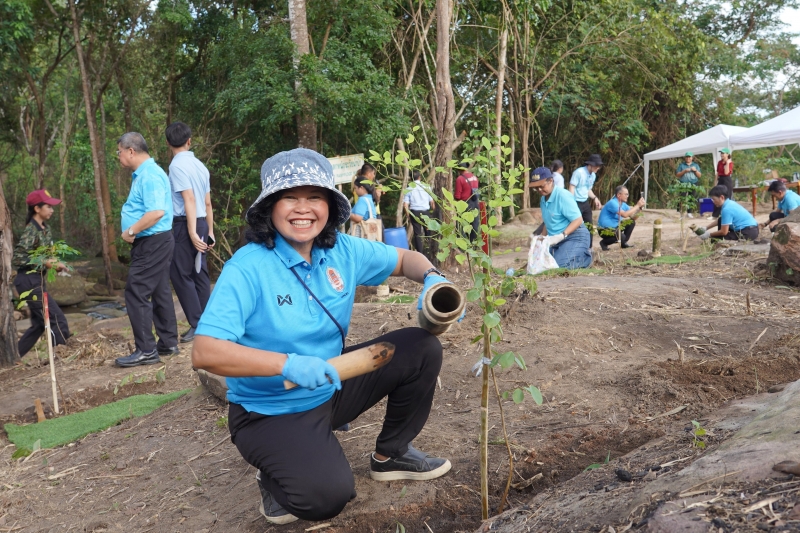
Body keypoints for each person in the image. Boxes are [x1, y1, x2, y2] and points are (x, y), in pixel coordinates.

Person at [191, 148, 452, 525]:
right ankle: (273, 475)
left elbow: (404, 259)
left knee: (422, 347)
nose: (303, 209)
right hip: (270, 411)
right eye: (289, 198)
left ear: (330, 205)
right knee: (327, 497)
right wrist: (289, 364)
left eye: (314, 197)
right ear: (269, 207)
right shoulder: (247, 269)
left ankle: (391, 453)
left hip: (330, 386)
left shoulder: (341, 249)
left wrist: (432, 277)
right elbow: (205, 351)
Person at [114, 132, 179, 367]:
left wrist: (130, 231)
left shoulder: (149, 175)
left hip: (153, 241)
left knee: (136, 290)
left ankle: (146, 350)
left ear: (131, 151)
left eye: (119, 151)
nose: (118, 156)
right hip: (156, 241)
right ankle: (168, 342)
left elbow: (155, 213)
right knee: (160, 289)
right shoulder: (144, 174)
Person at [165, 121, 214, 344]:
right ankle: (209, 322)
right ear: (189, 141)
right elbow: (208, 203)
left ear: (168, 143)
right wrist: (209, 231)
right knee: (199, 273)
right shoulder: (200, 166)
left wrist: (192, 232)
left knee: (180, 273)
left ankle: (197, 324)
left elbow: (189, 199)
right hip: (202, 221)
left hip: (186, 224)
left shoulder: (176, 166)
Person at [12, 190, 71, 356]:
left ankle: (14, 357)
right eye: (48, 206)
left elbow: (47, 256)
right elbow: (18, 259)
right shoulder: (31, 230)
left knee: (39, 324)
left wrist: (56, 264)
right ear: (37, 209)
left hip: (38, 279)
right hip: (27, 281)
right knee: (57, 319)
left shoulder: (45, 229)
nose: (52, 210)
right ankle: (61, 356)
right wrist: (45, 262)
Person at [529, 167, 592, 269]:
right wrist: (542, 239)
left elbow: (578, 220)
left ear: (551, 181)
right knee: (541, 263)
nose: (539, 190)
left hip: (575, 236)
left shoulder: (563, 196)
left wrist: (562, 235)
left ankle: (585, 259)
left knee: (558, 265)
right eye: (536, 188)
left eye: (542, 186)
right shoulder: (543, 199)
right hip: (555, 240)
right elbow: (547, 221)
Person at [597, 186, 645, 251]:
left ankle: (623, 243)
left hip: (615, 227)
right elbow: (625, 215)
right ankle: (603, 243)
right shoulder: (612, 203)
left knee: (631, 222)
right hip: (604, 229)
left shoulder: (623, 205)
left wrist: (640, 208)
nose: (627, 196)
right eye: (626, 194)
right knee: (622, 237)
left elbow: (633, 217)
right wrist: (637, 205)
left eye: (628, 194)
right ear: (619, 195)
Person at [569, 154, 604, 246]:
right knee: (575, 226)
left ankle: (589, 248)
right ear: (590, 164)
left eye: (599, 166)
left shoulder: (593, 175)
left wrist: (595, 198)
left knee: (589, 226)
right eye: (596, 165)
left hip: (585, 203)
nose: (598, 168)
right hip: (576, 202)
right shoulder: (579, 172)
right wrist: (571, 203)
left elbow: (588, 189)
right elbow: (572, 187)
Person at [403, 170, 435, 256]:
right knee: (428, 232)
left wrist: (408, 215)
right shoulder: (426, 186)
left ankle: (420, 254)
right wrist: (432, 212)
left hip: (415, 212)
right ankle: (429, 251)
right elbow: (432, 202)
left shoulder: (409, 188)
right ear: (420, 177)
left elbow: (405, 204)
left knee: (417, 234)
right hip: (425, 212)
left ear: (410, 178)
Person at [454, 163, 480, 241]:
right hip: (475, 202)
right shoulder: (474, 177)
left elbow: (457, 195)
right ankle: (473, 243)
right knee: (474, 224)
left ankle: (462, 245)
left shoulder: (460, 179)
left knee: (461, 226)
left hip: (464, 204)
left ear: (459, 169)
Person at [675, 152, 701, 217]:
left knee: (692, 198)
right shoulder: (681, 165)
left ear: (692, 158)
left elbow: (699, 175)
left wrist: (695, 171)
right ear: (685, 158)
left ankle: (689, 212)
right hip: (683, 183)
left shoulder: (696, 165)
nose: (688, 158)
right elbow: (677, 175)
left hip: (693, 183)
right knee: (682, 197)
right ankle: (680, 211)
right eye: (687, 157)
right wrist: (684, 171)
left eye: (689, 157)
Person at [713, 148, 734, 218]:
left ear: (727, 154)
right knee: (717, 195)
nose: (721, 155)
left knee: (727, 196)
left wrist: (727, 163)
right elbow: (717, 173)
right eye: (721, 153)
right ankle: (715, 214)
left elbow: (726, 172)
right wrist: (715, 183)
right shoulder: (719, 162)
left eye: (723, 153)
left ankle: (727, 213)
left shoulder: (730, 163)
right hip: (720, 179)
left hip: (727, 180)